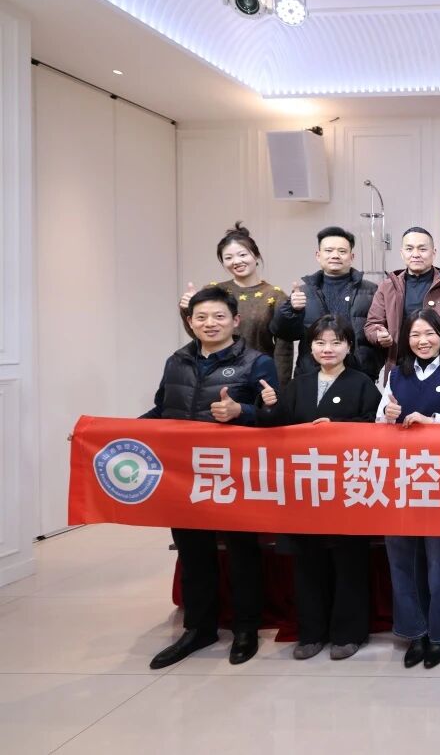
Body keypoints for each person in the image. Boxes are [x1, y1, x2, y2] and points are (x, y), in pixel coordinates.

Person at [143, 285, 278, 669]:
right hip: (185, 476)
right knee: (194, 554)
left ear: (235, 321)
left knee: (241, 553)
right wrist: (109, 436)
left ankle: (246, 628)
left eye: (219, 316)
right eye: (201, 317)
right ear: (190, 322)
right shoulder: (176, 361)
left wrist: (242, 412)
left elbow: (275, 419)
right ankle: (198, 629)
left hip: (234, 475)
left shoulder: (257, 362)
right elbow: (161, 411)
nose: (210, 323)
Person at [257, 315, 382, 661]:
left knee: (349, 561)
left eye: (336, 342)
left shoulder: (362, 384)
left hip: (348, 487)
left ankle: (349, 633)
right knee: (307, 562)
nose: (328, 349)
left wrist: (337, 427)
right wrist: (269, 406)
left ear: (349, 346)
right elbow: (276, 428)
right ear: (310, 348)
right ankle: (311, 633)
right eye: (320, 342)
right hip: (305, 489)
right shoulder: (298, 385)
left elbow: (375, 427)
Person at [377, 308, 440, 669]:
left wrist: (432, 422)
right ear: (406, 340)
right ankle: (414, 631)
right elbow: (378, 423)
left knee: (438, 561)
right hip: (399, 479)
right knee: (401, 558)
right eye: (415, 335)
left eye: (430, 334)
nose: (423, 341)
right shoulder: (394, 374)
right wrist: (387, 417)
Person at [178, 221, 293, 385]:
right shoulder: (214, 290)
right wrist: (186, 309)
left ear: (256, 255)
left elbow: (284, 349)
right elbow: (199, 335)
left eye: (242, 255)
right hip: (215, 375)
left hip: (257, 377)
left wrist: (278, 387)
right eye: (228, 258)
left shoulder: (275, 296)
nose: (236, 261)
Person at [270, 226, 384, 381]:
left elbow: (380, 332)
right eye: (329, 251)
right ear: (318, 255)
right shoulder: (303, 292)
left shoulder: (371, 290)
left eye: (342, 251)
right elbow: (284, 333)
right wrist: (292, 311)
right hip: (312, 375)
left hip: (359, 375)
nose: (335, 256)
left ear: (352, 256)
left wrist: (372, 366)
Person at [365, 227, 440, 371]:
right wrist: (379, 335)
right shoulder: (387, 286)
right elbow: (372, 325)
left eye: (422, 249)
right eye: (409, 249)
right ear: (402, 253)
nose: (415, 254)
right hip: (400, 366)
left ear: (433, 252)